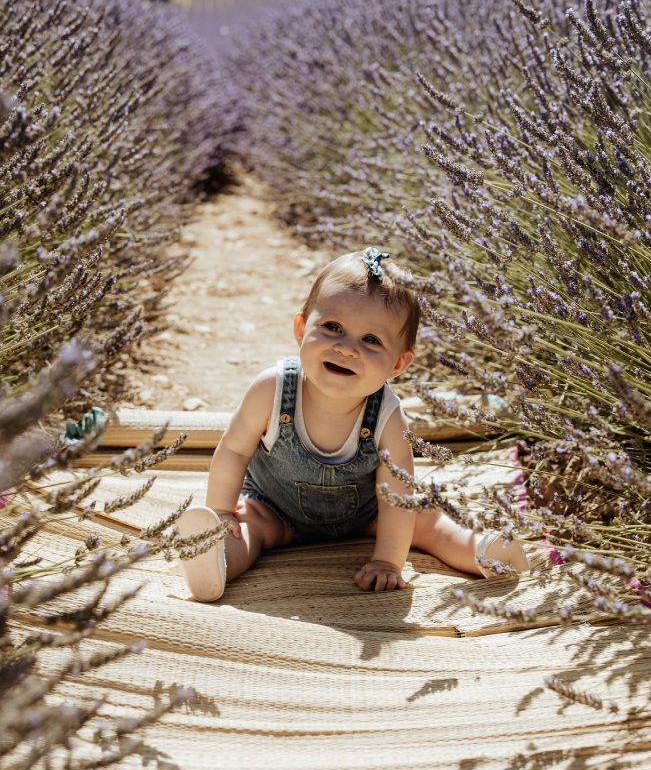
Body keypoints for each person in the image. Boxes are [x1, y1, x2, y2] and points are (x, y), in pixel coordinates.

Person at [175, 247, 530, 601]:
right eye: (333, 327)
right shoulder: (272, 389)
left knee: (426, 521)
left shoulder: (387, 416)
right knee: (245, 528)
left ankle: (485, 552)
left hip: (366, 515)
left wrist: (388, 561)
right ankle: (215, 560)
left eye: (371, 340)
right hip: (274, 510)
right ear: (301, 328)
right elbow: (234, 451)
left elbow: (397, 495)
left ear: (398, 364)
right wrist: (222, 511)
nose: (346, 348)